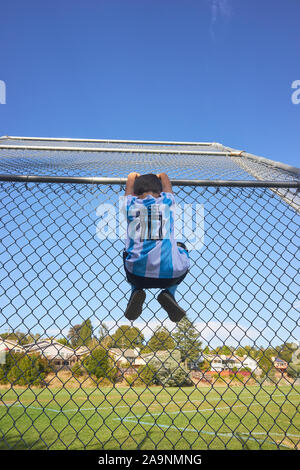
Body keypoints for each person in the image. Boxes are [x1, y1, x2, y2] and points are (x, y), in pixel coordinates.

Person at [123, 172, 190, 322]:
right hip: (171, 275)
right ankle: (170, 292)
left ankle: (135, 290)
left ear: (135, 192)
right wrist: (162, 175)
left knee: (126, 252)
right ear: (160, 192)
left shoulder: (130, 204)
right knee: (181, 246)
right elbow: (166, 178)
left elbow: (129, 180)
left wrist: (133, 176)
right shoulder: (167, 201)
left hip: (137, 274)